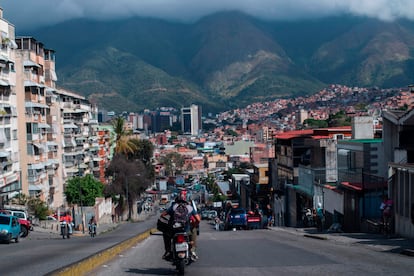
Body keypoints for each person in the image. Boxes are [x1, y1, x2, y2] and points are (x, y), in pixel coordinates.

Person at [160, 190, 200, 261]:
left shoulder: (173, 206)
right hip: (186, 230)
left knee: (165, 233)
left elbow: (163, 215)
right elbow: (198, 219)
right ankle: (192, 251)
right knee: (194, 230)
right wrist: (194, 224)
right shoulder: (189, 207)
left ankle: (168, 251)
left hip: (174, 230)